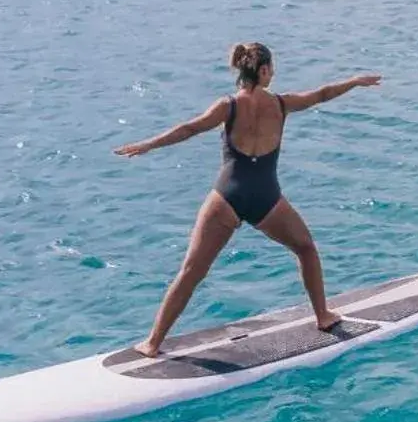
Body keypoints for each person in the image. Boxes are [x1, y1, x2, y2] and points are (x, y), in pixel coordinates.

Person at [114, 43, 381, 356]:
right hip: (266, 199)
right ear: (264, 70)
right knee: (306, 248)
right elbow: (322, 93)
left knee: (191, 271)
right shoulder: (282, 104)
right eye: (272, 67)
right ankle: (323, 316)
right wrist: (354, 81)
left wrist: (149, 145)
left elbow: (190, 129)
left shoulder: (228, 106)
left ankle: (152, 342)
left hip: (227, 197)